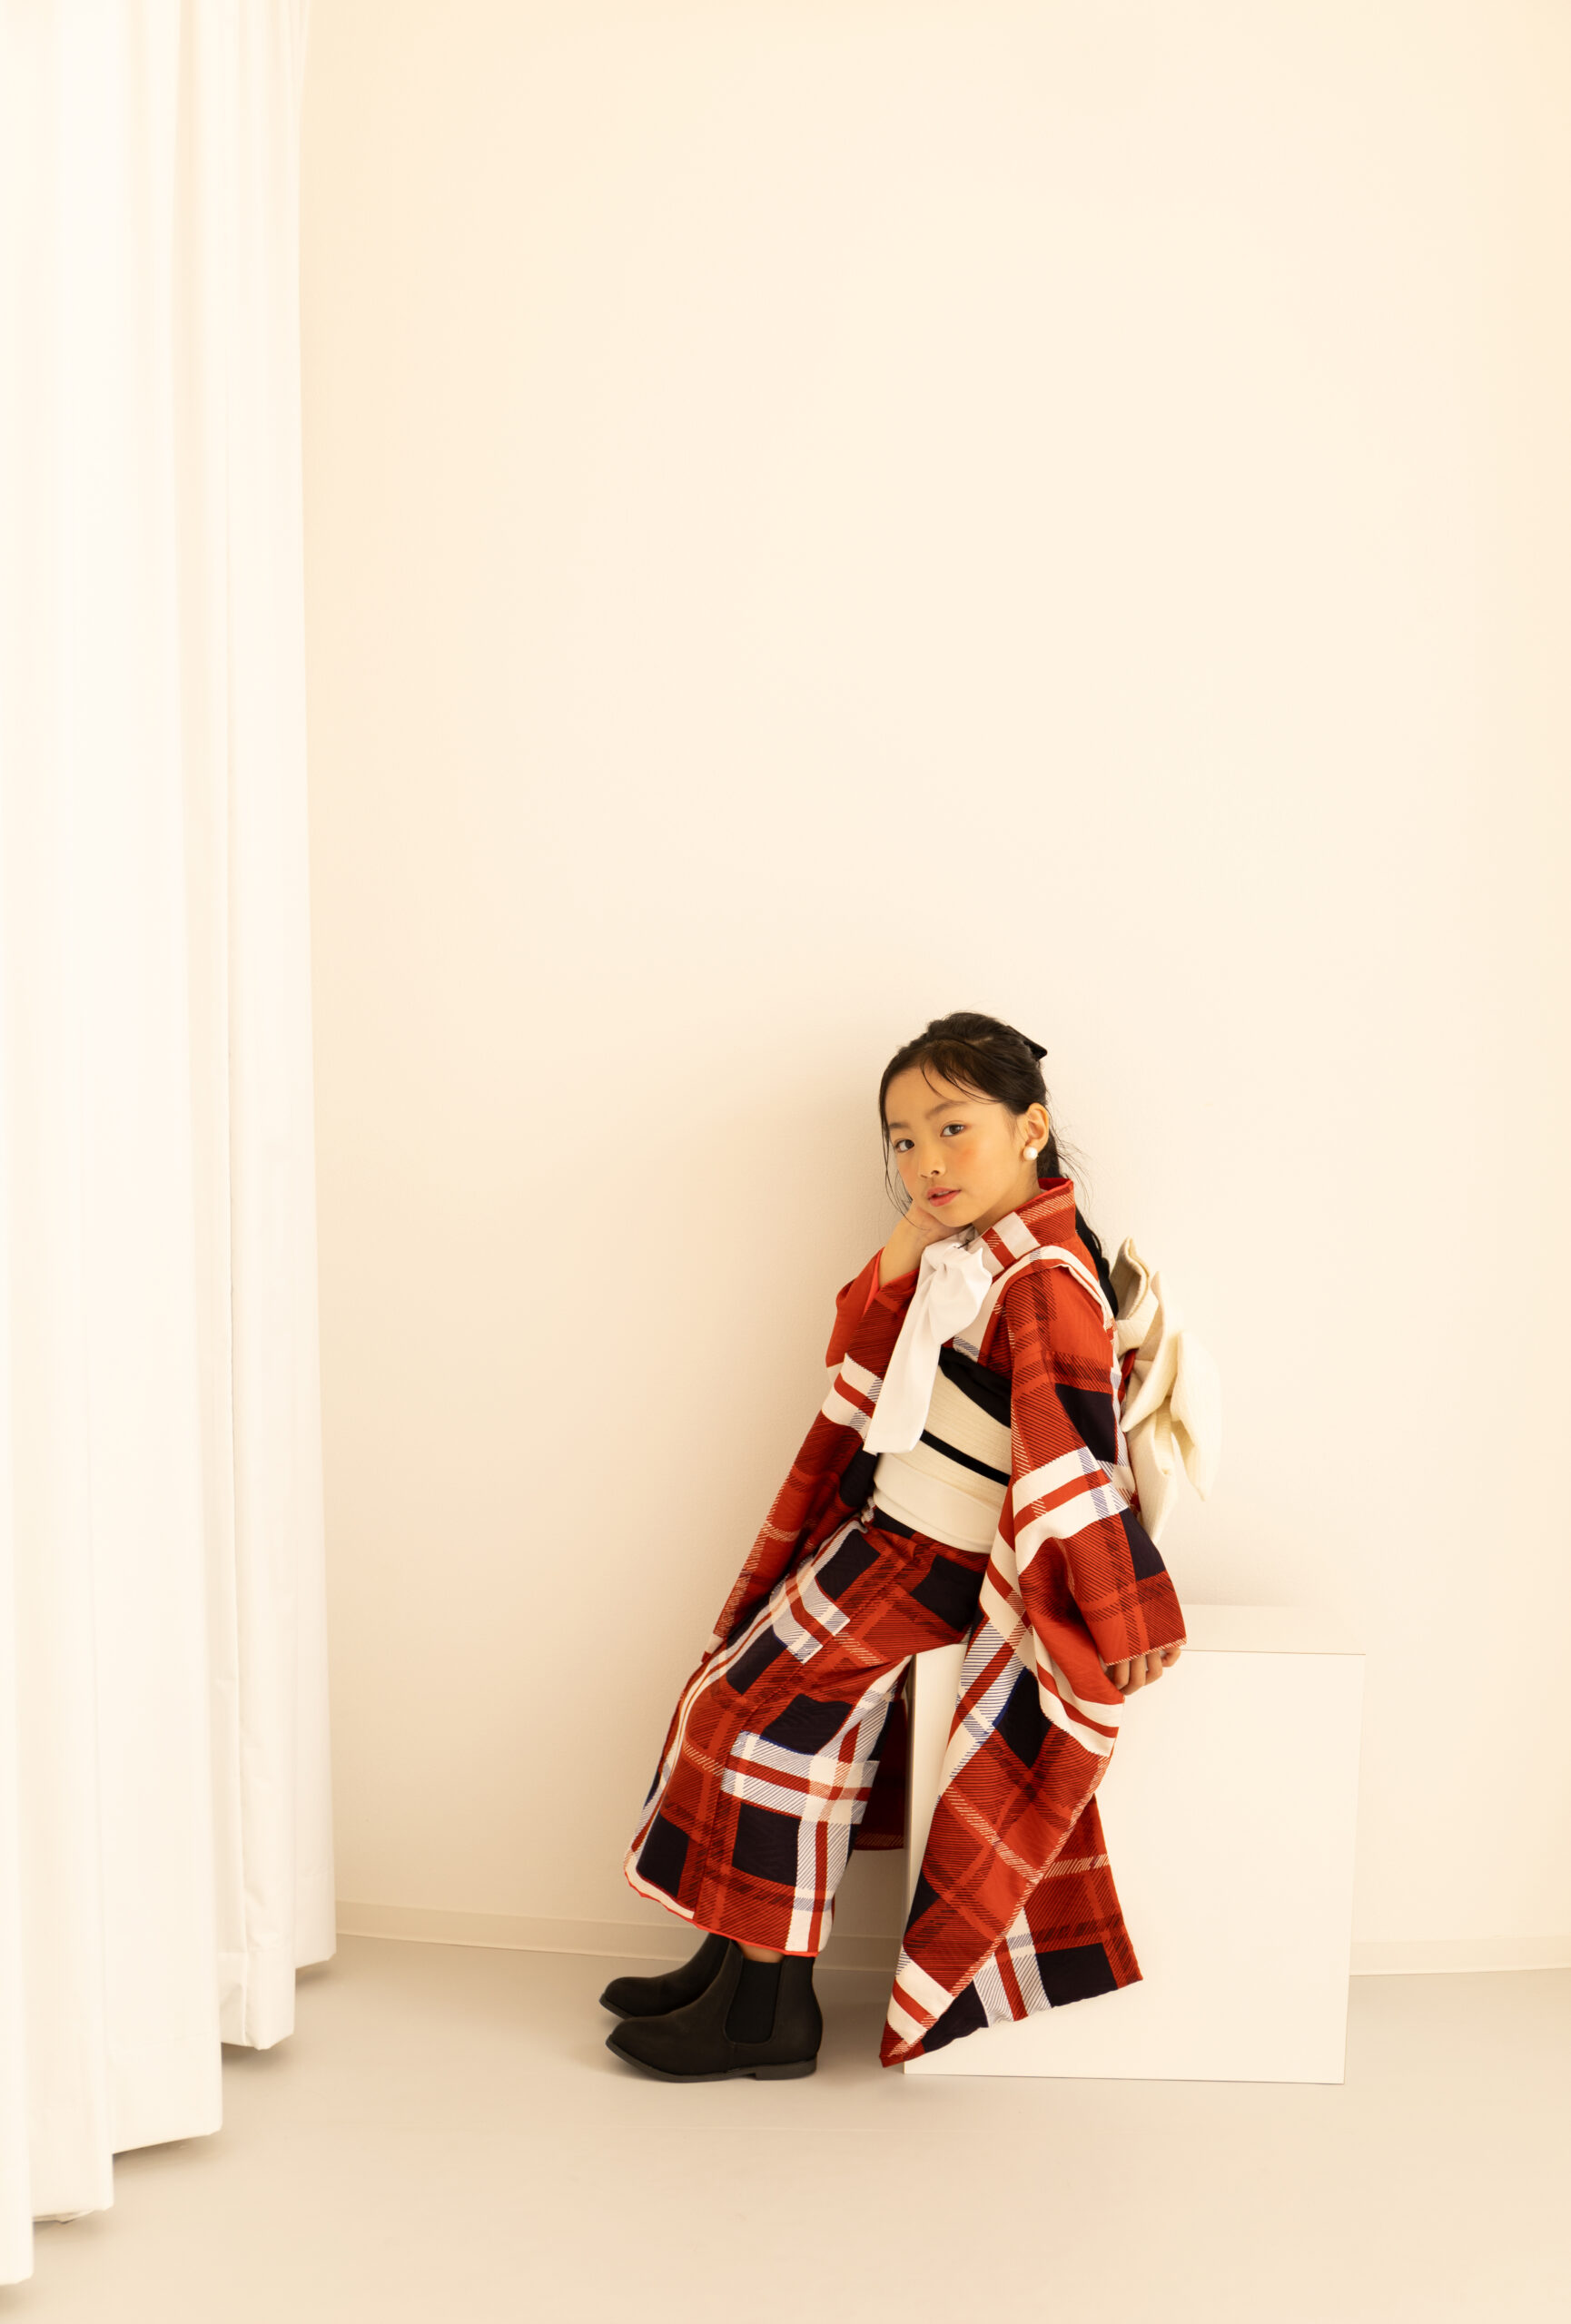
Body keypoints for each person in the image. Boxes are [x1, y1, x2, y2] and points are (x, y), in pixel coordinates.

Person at [604, 1011, 1188, 2082]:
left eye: (952, 1128)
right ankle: (730, 1965)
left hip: (937, 1560)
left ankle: (767, 2010)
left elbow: (1073, 1459)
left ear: (1029, 1128)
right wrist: (912, 1240)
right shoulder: (971, 1252)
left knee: (760, 1729)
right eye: (903, 1140)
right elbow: (855, 1346)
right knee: (723, 1700)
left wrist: (1126, 1608)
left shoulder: (1042, 1277)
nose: (925, 1161)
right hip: (888, 1536)